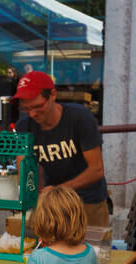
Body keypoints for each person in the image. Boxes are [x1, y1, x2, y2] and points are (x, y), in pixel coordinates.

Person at [13, 70, 110, 230]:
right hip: (53, 203)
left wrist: (58, 189)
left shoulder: (80, 118)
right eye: (26, 108)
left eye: (37, 106)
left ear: (52, 95)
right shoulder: (24, 126)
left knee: (93, 250)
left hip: (89, 201)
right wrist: (30, 192)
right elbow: (25, 168)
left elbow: (97, 170)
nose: (32, 114)